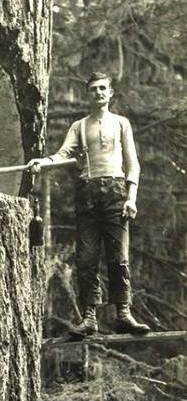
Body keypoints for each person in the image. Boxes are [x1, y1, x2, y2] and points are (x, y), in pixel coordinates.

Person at [29, 71, 150, 337]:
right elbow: (62, 155)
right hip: (87, 196)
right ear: (88, 93)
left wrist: (131, 197)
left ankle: (123, 314)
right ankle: (89, 318)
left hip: (116, 193)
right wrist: (42, 162)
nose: (98, 93)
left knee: (118, 258)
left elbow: (133, 164)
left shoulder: (121, 123)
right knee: (86, 259)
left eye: (103, 88)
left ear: (110, 93)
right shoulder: (79, 126)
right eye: (93, 89)